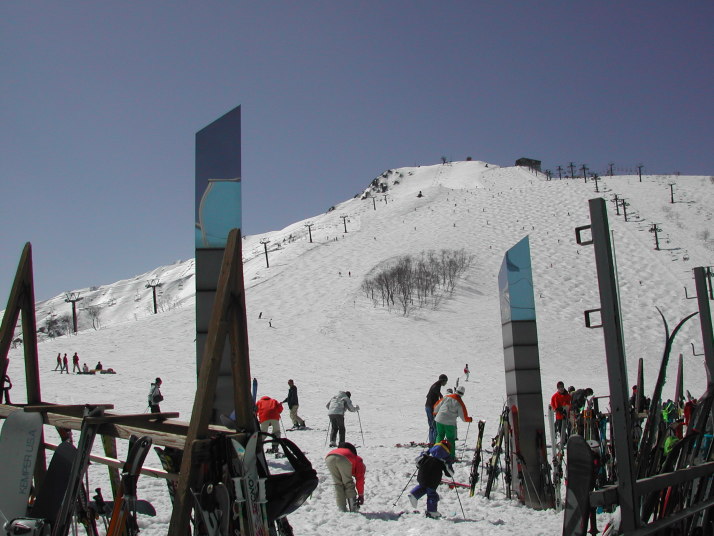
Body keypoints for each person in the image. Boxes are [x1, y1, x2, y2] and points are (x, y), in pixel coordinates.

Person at [407, 439, 454, 519]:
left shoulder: (428, 453)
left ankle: (414, 494)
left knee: (423, 487)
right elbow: (449, 472)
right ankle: (432, 511)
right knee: (432, 495)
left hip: (422, 475)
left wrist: (420, 466)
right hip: (433, 479)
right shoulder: (445, 458)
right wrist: (451, 472)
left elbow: (418, 461)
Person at [324, 442, 365, 512]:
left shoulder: (346, 453)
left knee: (338, 483)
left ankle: (341, 508)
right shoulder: (358, 460)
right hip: (344, 458)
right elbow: (360, 479)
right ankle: (353, 507)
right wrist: (361, 494)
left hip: (329, 457)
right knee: (348, 483)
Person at [433, 385, 472, 457]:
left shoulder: (447, 397)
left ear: (456, 391)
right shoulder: (460, 403)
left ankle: (435, 453)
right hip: (449, 423)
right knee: (450, 439)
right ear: (462, 394)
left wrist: (435, 413)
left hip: (439, 419)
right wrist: (469, 419)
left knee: (440, 436)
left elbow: (436, 406)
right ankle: (451, 456)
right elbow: (464, 418)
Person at [425, 374, 448, 444]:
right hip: (431, 408)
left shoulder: (436, 385)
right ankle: (434, 442)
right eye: (446, 381)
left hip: (428, 406)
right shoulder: (436, 386)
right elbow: (435, 391)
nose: (446, 383)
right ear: (443, 380)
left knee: (432, 426)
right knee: (434, 426)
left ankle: (432, 442)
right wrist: (440, 395)